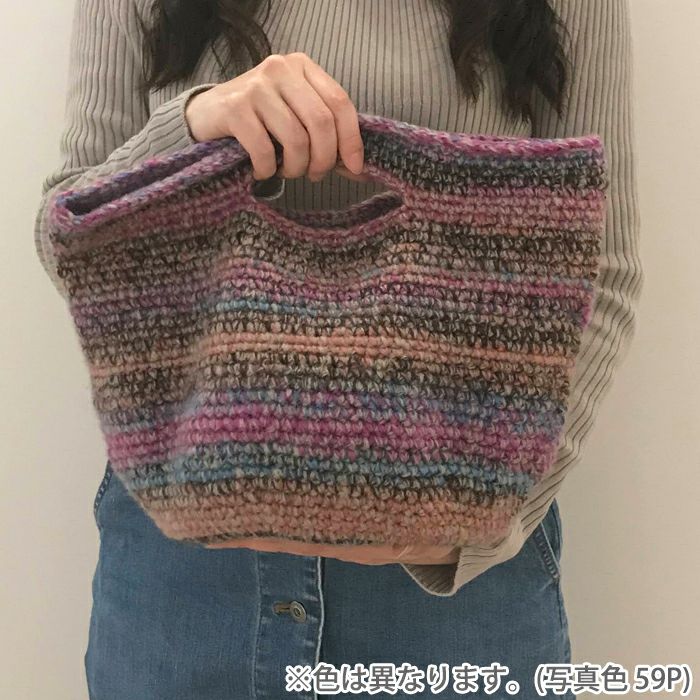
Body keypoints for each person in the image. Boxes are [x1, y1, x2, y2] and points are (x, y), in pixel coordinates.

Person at [33, 1, 642, 698]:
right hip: (186, 563)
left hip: (455, 570)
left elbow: (602, 270)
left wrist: (482, 529)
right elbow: (69, 238)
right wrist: (194, 123)